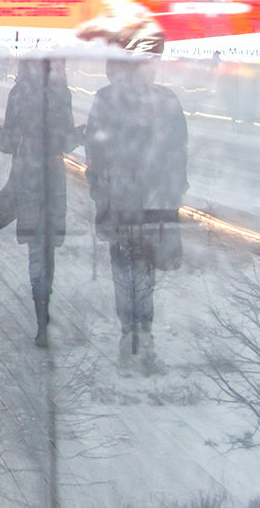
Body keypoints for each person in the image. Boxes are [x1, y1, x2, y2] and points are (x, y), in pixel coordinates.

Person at [84, 55, 188, 370]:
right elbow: (178, 152)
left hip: (120, 202)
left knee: (124, 268)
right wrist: (171, 193)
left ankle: (130, 335)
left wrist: (100, 190)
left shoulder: (106, 99)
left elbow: (94, 153)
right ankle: (142, 336)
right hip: (150, 202)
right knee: (144, 270)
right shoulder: (165, 100)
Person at [0, 58, 78, 348]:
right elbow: (67, 141)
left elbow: (9, 141)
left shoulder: (20, 92)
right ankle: (45, 302)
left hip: (27, 171)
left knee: (35, 246)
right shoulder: (61, 92)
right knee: (48, 243)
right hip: (54, 172)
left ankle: (41, 317)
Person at [76, 0, 165, 54]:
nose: (105, 1)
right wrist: (119, 24)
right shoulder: (110, 16)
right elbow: (81, 32)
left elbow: (132, 63)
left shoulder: (151, 33)